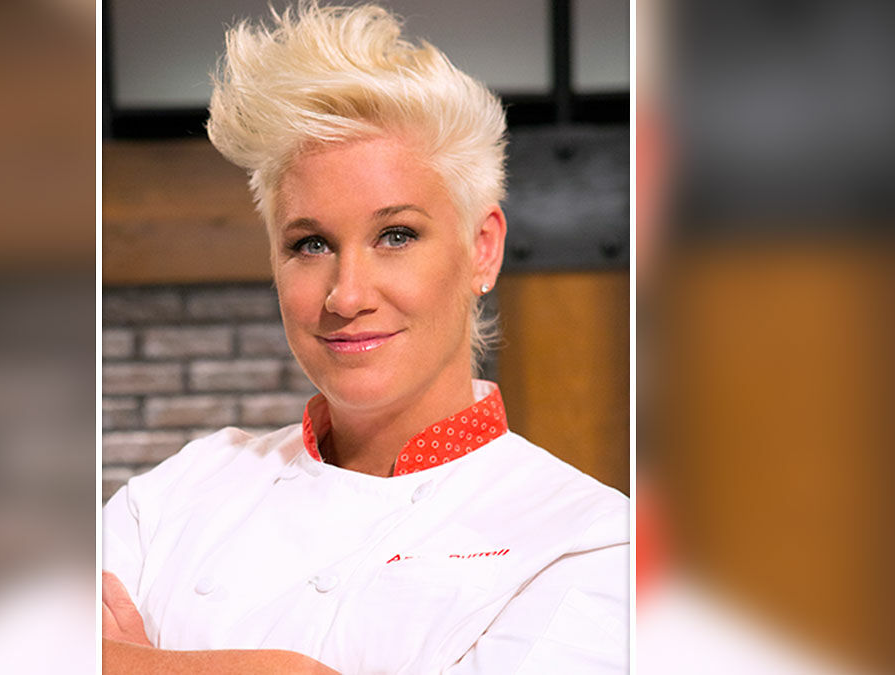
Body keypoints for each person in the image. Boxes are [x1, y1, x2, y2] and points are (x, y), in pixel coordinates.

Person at [102, 3, 629, 672]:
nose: (346, 295)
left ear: (482, 249)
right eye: (310, 243)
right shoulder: (177, 494)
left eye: (396, 235)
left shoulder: (590, 541)